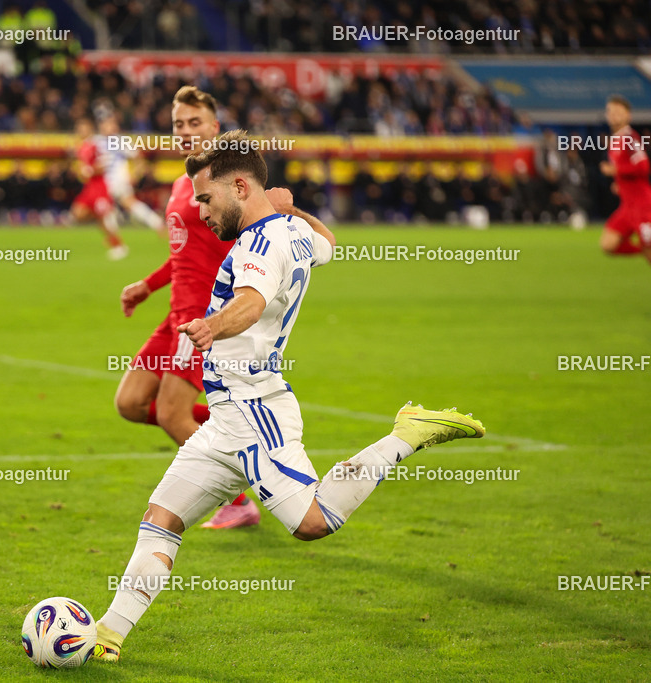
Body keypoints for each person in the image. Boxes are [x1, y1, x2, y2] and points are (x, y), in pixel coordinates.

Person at [93, 130, 485, 662]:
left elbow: (251, 303)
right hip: (225, 418)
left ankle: (405, 435)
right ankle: (107, 637)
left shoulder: (257, 246)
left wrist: (211, 326)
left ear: (239, 187)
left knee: (312, 523)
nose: (200, 212)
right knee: (161, 518)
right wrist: (292, 210)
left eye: (206, 199)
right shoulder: (291, 232)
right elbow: (329, 243)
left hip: (255, 411)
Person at [115, 86, 262, 530]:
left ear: (214, 127)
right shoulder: (186, 182)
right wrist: (148, 285)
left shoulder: (230, 186)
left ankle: (239, 499)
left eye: (194, 123)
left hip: (201, 317)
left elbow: (254, 241)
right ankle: (240, 435)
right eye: (178, 124)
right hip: (174, 315)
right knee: (131, 403)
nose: (185, 131)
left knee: (172, 414)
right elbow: (183, 253)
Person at [599, 95, 651, 264]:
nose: (613, 116)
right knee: (608, 244)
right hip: (628, 207)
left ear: (628, 115)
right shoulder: (616, 140)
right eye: (610, 112)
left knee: (649, 251)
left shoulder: (630, 138)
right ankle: (643, 249)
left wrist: (616, 170)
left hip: (642, 206)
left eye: (618, 112)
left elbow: (643, 166)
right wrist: (619, 183)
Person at [70, 117, 128, 260]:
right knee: (78, 214)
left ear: (90, 129)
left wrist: (90, 170)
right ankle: (108, 216)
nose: (81, 131)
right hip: (89, 187)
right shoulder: (81, 147)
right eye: (79, 129)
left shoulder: (96, 145)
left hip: (99, 186)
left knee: (102, 218)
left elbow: (105, 164)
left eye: (83, 128)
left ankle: (119, 246)